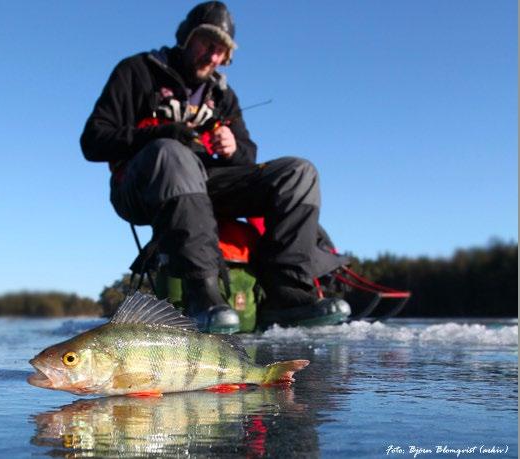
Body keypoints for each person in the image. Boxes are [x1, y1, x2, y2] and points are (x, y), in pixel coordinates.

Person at [80, 1, 346, 333]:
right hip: (141, 185)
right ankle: (202, 297)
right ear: (186, 37)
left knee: (299, 174)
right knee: (172, 153)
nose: (213, 57)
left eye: (222, 52)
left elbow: (248, 158)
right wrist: (162, 133)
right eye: (208, 44)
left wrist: (234, 150)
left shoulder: (222, 95)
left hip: (206, 185)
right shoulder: (137, 71)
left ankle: (287, 296)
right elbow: (93, 140)